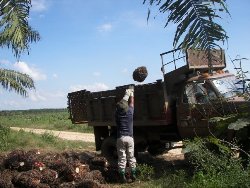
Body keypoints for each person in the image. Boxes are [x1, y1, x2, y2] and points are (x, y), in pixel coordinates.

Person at [115, 87, 136, 183]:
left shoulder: (117, 114)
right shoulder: (130, 112)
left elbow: (121, 105)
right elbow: (132, 103)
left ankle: (122, 177)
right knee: (131, 157)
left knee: (122, 158)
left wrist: (126, 95)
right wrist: (131, 93)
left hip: (121, 138)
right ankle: (134, 175)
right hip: (130, 138)